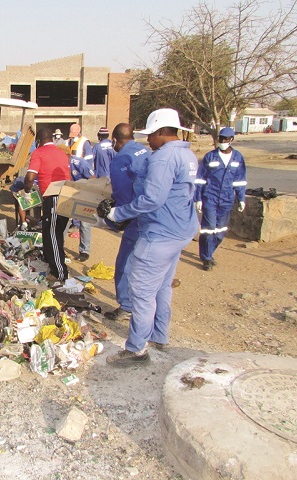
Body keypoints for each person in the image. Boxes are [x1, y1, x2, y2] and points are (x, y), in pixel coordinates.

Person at [100, 108, 199, 366]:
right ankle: (159, 336)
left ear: (161, 132)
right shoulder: (187, 154)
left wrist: (118, 213)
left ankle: (136, 350)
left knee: (142, 290)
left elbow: (152, 199)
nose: (148, 141)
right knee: (163, 286)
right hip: (181, 229)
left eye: (150, 135)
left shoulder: (163, 159)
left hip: (160, 232)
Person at [102, 123, 151, 321]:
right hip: (154, 215)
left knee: (125, 263)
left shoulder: (121, 159)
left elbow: (122, 194)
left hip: (137, 217)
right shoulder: (144, 151)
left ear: (115, 140)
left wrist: (115, 219)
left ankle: (128, 305)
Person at [194, 127, 247, 271]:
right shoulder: (210, 157)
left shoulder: (238, 158)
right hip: (210, 197)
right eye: (221, 139)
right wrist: (198, 198)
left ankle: (209, 252)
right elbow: (200, 179)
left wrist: (241, 198)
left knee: (221, 231)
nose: (222, 142)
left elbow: (240, 180)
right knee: (208, 229)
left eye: (225, 139)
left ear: (231, 140)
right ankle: (206, 257)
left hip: (227, 199)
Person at [23, 128, 71, 282]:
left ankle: (59, 273)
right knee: (53, 233)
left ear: (38, 141)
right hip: (65, 195)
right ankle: (54, 266)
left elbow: (30, 177)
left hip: (53, 196)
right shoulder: (61, 152)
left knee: (52, 236)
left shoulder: (39, 153)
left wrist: (27, 192)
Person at [67, 123, 94, 262]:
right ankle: (58, 247)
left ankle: (85, 251)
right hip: (69, 190)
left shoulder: (85, 144)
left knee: (85, 222)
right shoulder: (69, 143)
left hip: (83, 189)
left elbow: (91, 174)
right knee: (64, 219)